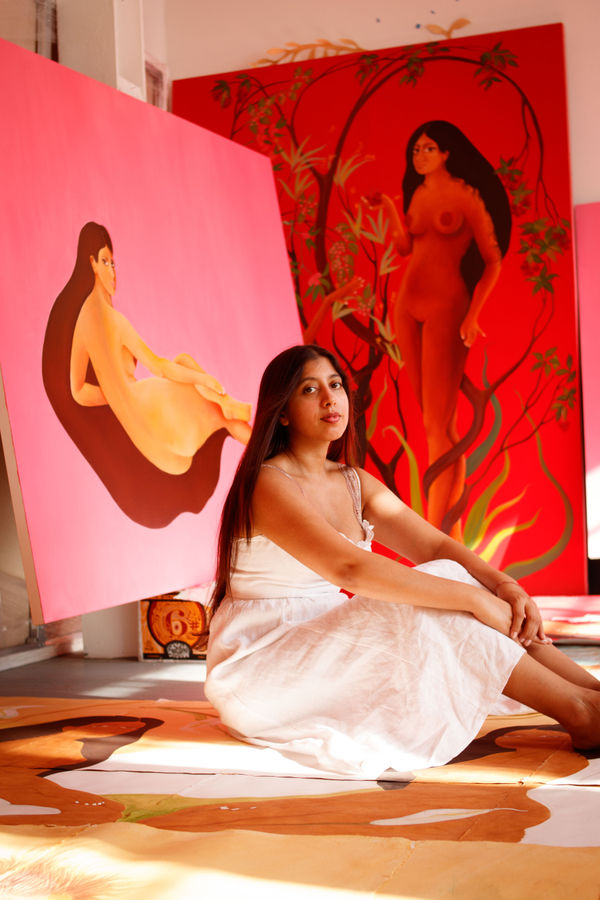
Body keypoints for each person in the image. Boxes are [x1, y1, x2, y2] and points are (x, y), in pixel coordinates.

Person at [205, 344, 600, 780]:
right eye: (309, 390)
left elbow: (435, 547)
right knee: (445, 590)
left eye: (335, 385)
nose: (329, 399)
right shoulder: (268, 482)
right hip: (264, 666)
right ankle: (581, 712)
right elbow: (349, 569)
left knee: (455, 575)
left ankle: (591, 693)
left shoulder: (351, 481)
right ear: (281, 412)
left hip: (326, 643)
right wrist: (475, 599)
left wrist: (505, 586)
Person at [43, 223, 250, 525]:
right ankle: (238, 416)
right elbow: (159, 366)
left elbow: (78, 392)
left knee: (217, 410)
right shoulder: (113, 320)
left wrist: (116, 395)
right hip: (158, 420)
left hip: (152, 447)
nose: (113, 272)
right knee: (193, 375)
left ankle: (229, 408)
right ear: (91, 263)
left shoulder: (82, 322)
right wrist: (204, 380)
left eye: (114, 263)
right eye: (105, 262)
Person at [365, 121, 511, 538]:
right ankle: (447, 532)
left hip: (448, 308)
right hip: (407, 308)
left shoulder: (467, 197)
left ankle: (440, 533)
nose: (420, 155)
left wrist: (472, 315)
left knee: (439, 425)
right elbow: (404, 247)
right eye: (416, 149)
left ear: (447, 153)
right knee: (432, 421)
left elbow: (493, 260)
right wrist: (389, 208)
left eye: (428, 148)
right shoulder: (418, 194)